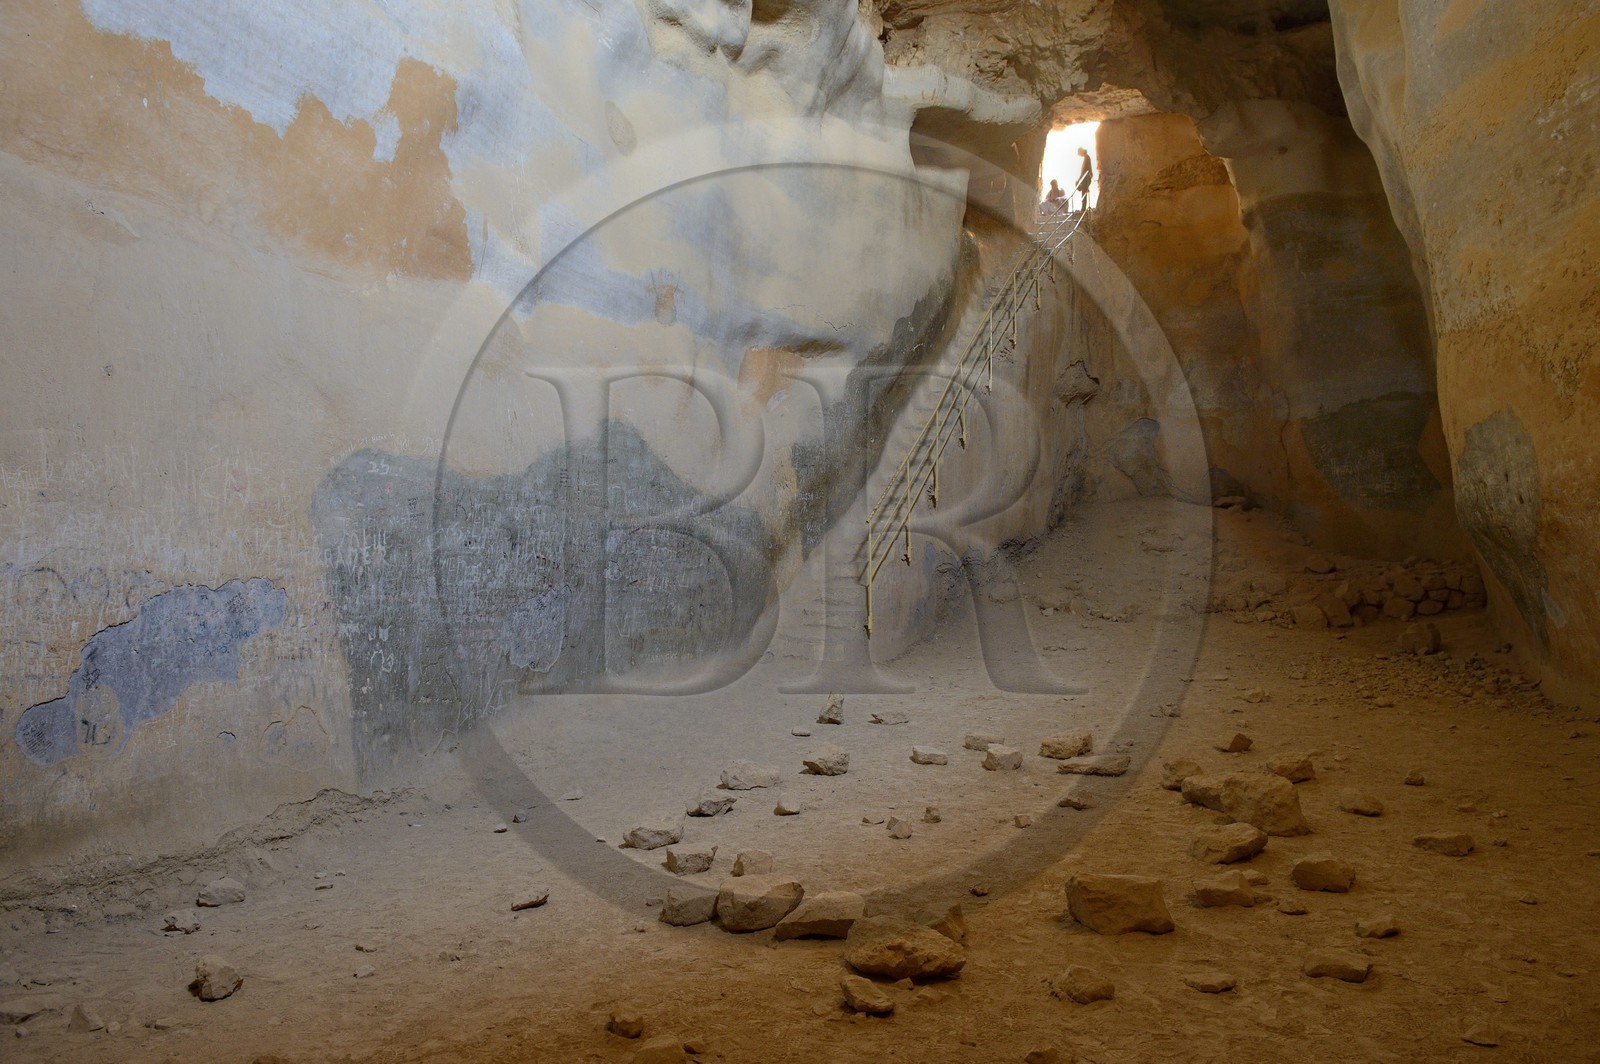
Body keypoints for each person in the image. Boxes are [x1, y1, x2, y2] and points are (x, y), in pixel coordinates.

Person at [1074, 146, 1094, 212]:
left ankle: (1083, 208)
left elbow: (1085, 170)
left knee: (1083, 192)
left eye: (1079, 153)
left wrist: (1080, 179)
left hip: (1086, 178)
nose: (1079, 155)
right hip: (1085, 177)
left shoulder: (1087, 157)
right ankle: (1083, 208)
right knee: (1082, 190)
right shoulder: (1086, 157)